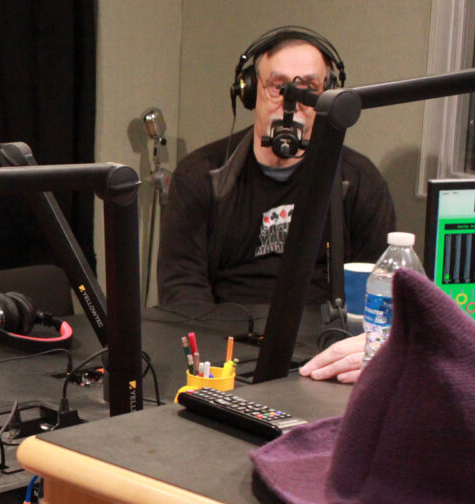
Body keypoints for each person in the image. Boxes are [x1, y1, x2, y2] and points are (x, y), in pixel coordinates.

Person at [157, 26, 395, 307]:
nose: (290, 104)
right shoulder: (200, 175)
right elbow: (181, 286)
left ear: (329, 96)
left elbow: (375, 290)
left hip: (323, 331)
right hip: (223, 330)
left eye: (308, 89)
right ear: (250, 91)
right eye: (277, 87)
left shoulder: (359, 181)